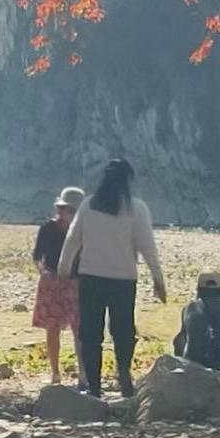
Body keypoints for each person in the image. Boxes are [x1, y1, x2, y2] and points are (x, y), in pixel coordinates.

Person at [58, 158, 167, 397]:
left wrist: (63, 267)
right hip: (123, 279)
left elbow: (73, 239)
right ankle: (124, 376)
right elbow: (147, 246)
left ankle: (94, 387)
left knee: (90, 333)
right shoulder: (136, 209)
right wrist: (158, 280)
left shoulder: (88, 206)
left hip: (91, 277)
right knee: (123, 331)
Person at [32, 186, 86, 386]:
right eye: (63, 209)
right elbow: (37, 256)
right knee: (52, 328)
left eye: (70, 210)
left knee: (80, 330)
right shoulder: (47, 229)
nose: (64, 213)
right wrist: (43, 272)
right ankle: (55, 373)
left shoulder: (84, 231)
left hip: (77, 283)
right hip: (52, 282)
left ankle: (83, 373)